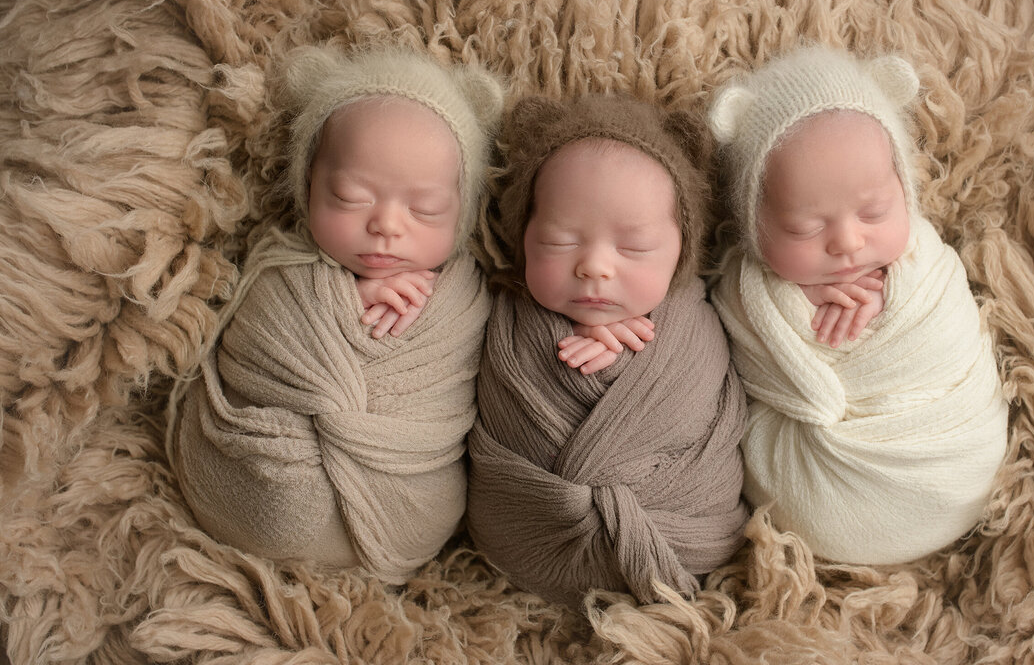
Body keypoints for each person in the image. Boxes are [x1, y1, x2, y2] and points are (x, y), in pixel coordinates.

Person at [167, 43, 503, 583]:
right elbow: (253, 343)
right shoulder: (280, 273)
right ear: (307, 186)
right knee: (280, 499)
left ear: (462, 215)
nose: (387, 225)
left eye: (425, 210)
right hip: (263, 476)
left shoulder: (465, 299)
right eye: (350, 197)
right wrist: (340, 311)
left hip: (407, 496)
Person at [709, 44, 1009, 565]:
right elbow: (731, 353)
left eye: (874, 212)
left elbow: (949, 334)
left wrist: (892, 304)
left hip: (954, 464)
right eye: (805, 227)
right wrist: (790, 304)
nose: (847, 242)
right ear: (755, 226)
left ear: (905, 195)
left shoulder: (926, 268)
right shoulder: (746, 288)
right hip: (813, 489)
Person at [468, 94, 749, 609]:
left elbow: (706, 414)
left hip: (680, 526)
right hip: (529, 535)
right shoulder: (499, 318)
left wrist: (634, 366)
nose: (595, 266)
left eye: (635, 248)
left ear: (682, 253)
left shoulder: (697, 324)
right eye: (558, 241)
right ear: (522, 239)